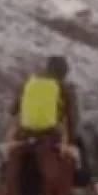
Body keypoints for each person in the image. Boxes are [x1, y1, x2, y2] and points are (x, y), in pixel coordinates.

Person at [8, 55, 91, 186]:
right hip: (52, 133)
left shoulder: (28, 83)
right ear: (63, 73)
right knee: (81, 150)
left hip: (25, 133)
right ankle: (81, 182)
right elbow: (72, 116)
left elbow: (13, 110)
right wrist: (72, 138)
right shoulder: (65, 88)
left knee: (8, 156)